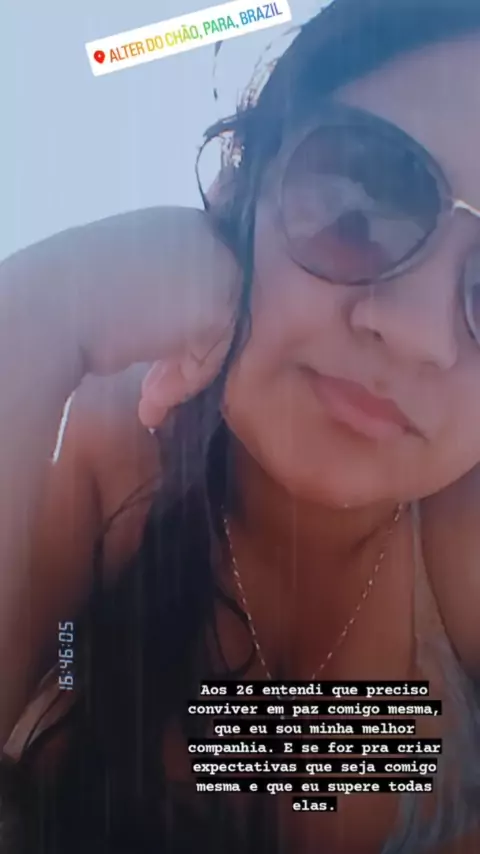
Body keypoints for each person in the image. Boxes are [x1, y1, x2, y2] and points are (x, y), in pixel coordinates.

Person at [2, 0, 480, 850]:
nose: (419, 334)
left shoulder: (462, 542)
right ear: (237, 190)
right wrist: (40, 316)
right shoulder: (114, 450)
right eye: (362, 199)